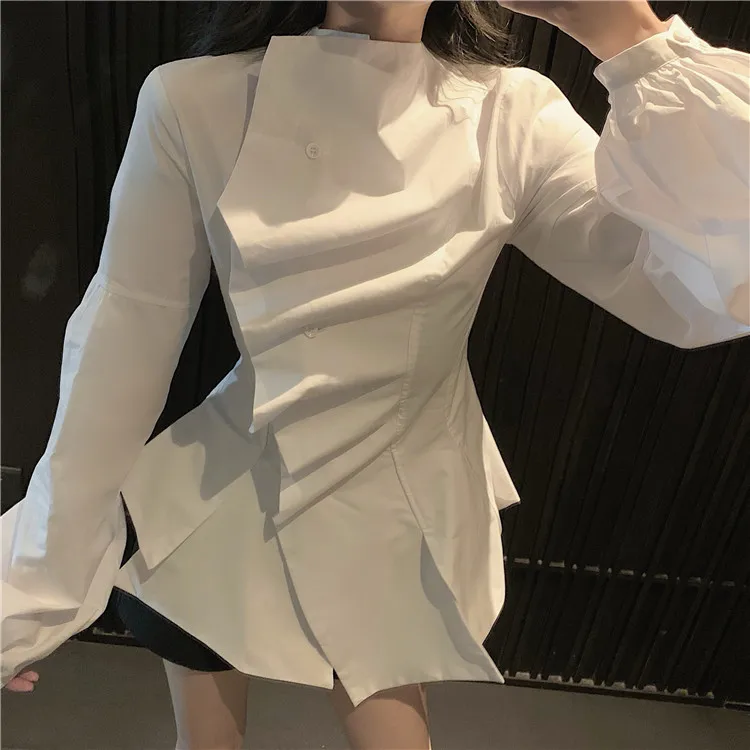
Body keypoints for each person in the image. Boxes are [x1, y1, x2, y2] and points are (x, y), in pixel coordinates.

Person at [2, 1, 749, 748]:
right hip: (227, 498)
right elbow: (121, 339)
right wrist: (31, 589)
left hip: (397, 522)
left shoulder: (511, 114)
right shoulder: (194, 99)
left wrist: (627, 35)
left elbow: (697, 287)